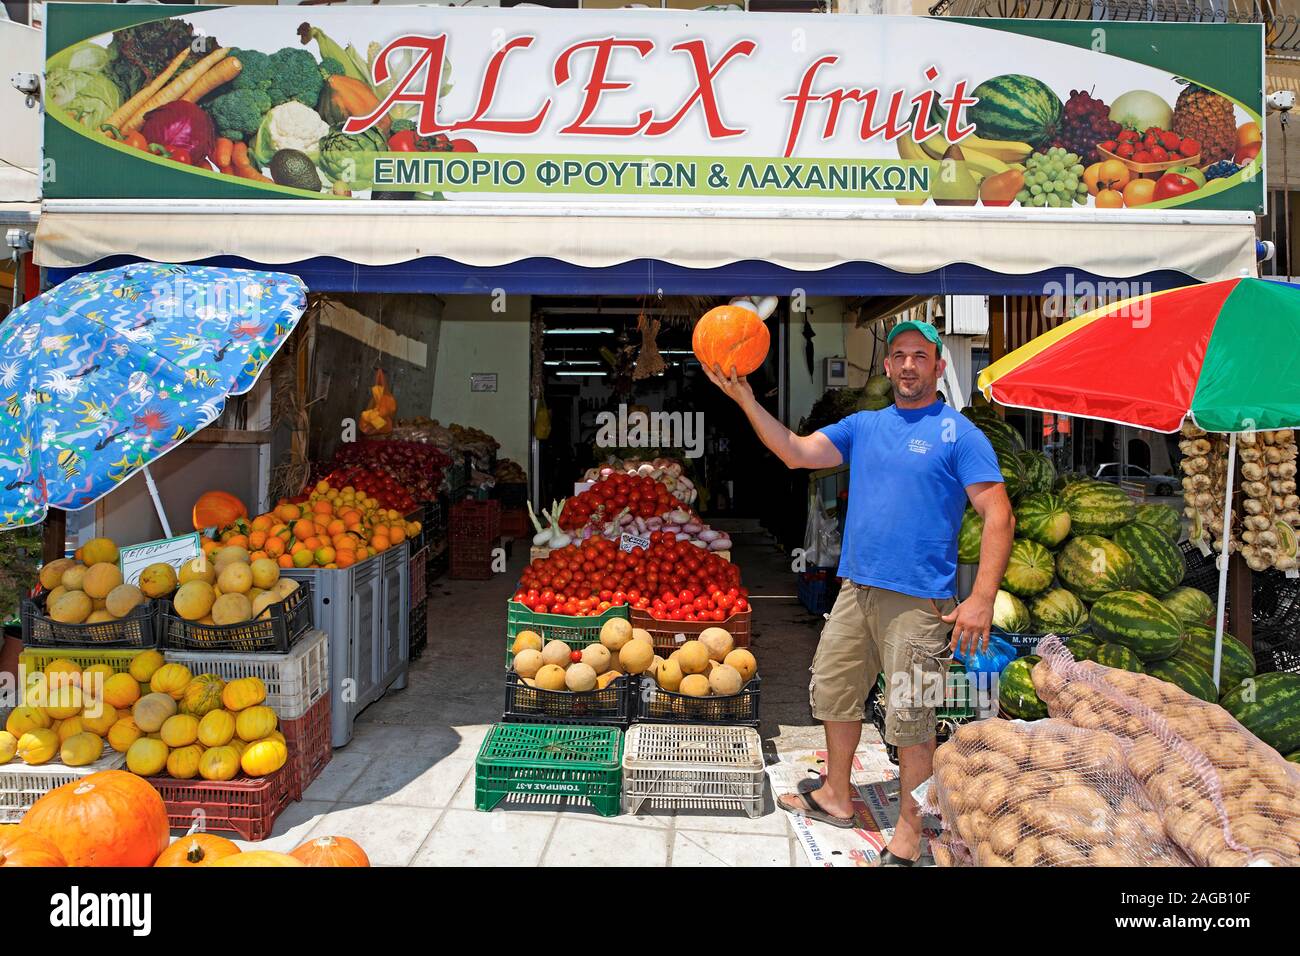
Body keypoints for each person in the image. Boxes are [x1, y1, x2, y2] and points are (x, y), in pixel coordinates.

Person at [703, 321, 1013, 865]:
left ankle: (910, 835)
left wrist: (982, 597)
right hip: (856, 592)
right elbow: (796, 452)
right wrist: (746, 399)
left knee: (912, 720)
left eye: (922, 356)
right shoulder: (865, 425)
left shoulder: (959, 434)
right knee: (835, 690)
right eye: (900, 356)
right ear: (887, 367)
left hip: (919, 605)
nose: (910, 365)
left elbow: (998, 515)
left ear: (940, 368)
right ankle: (836, 795)